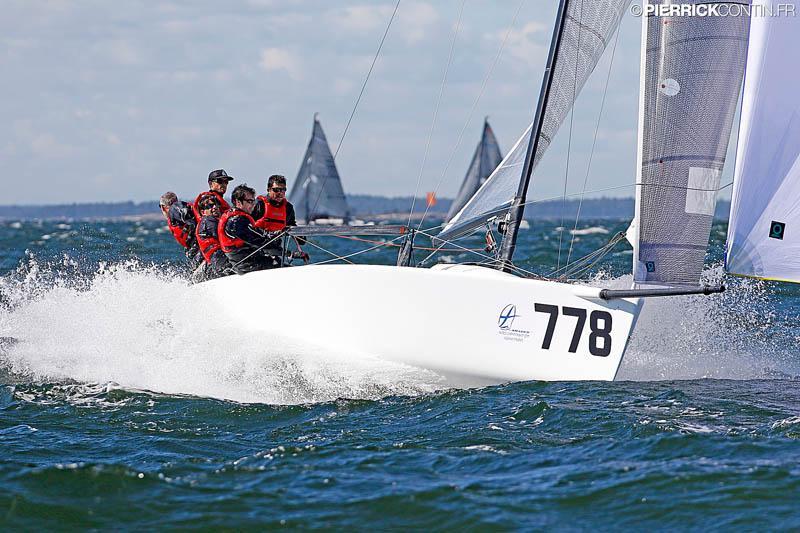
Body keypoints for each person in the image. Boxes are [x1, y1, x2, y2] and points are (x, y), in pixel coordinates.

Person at [218, 184, 284, 274]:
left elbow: (258, 234)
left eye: (253, 201)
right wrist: (288, 253)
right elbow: (259, 242)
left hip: (247, 261)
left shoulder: (238, 218)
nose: (253, 205)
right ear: (238, 202)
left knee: (277, 262)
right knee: (279, 265)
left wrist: (274, 234)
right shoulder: (236, 221)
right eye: (249, 201)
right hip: (245, 265)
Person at [252, 174, 308, 263]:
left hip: (276, 249)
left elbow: (292, 226)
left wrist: (300, 237)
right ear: (268, 190)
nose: (280, 193)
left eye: (283, 190)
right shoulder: (258, 205)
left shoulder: (288, 208)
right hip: (255, 249)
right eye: (276, 190)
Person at [194, 196, 233, 280]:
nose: (214, 207)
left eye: (216, 204)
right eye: (210, 206)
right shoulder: (208, 221)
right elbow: (227, 236)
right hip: (220, 260)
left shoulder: (208, 222)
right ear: (203, 212)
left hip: (216, 261)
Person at [160, 191, 201, 267]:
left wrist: (195, 244)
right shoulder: (176, 212)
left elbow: (191, 221)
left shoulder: (174, 209)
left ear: (163, 207)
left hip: (200, 246)